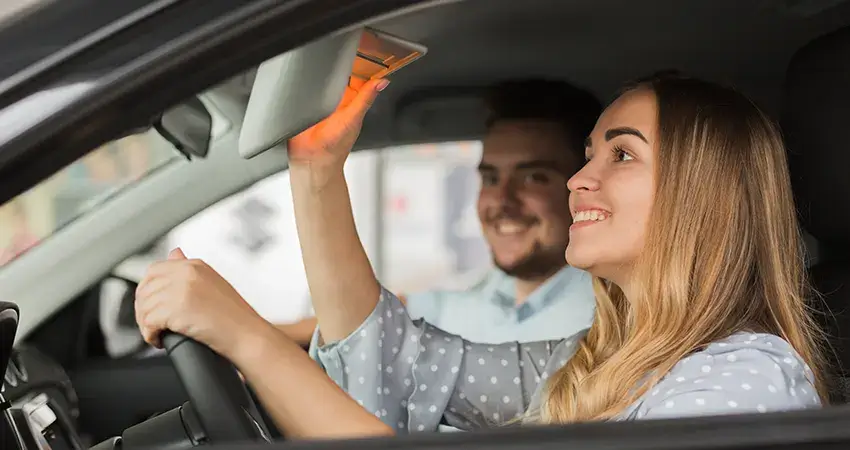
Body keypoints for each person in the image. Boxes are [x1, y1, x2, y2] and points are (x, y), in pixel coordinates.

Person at [134, 73, 826, 440]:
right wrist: (317, 173)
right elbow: (398, 358)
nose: (580, 180)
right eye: (588, 154)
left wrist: (248, 339)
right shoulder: (599, 363)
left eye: (621, 155)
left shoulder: (747, 380)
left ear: (701, 196)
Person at [277, 79, 601, 346]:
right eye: (490, 178)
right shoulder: (493, 293)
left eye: (534, 177)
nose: (502, 201)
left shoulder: (606, 318)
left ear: (584, 186)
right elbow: (379, 316)